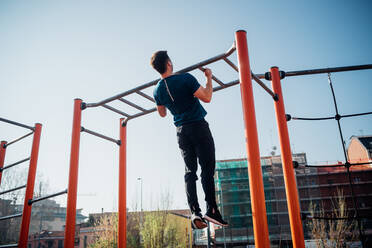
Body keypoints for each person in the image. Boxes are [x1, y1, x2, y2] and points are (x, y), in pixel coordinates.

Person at [150, 50, 228, 229]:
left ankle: (195, 212)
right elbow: (207, 96)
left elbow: (162, 113)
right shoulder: (185, 79)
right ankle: (212, 210)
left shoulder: (157, 89)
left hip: (181, 132)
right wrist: (209, 77)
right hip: (198, 127)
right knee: (207, 169)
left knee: (189, 171)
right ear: (169, 63)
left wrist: (167, 101)